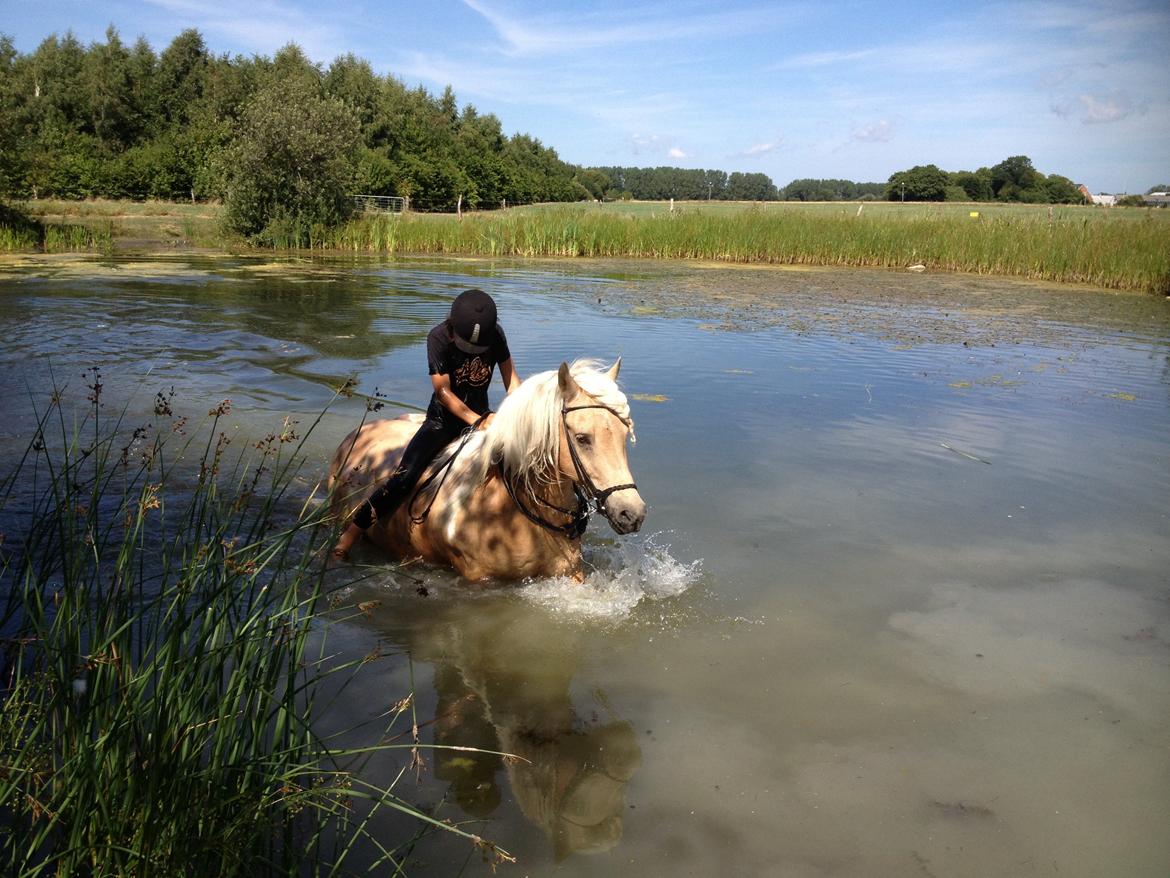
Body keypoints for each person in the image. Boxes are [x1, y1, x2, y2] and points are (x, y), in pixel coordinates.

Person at [332, 288, 521, 560]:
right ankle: (351, 534)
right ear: (453, 327)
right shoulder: (438, 337)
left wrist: (515, 416)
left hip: (483, 419)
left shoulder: (497, 336)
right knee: (404, 477)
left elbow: (512, 382)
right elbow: (444, 393)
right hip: (443, 421)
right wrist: (478, 421)